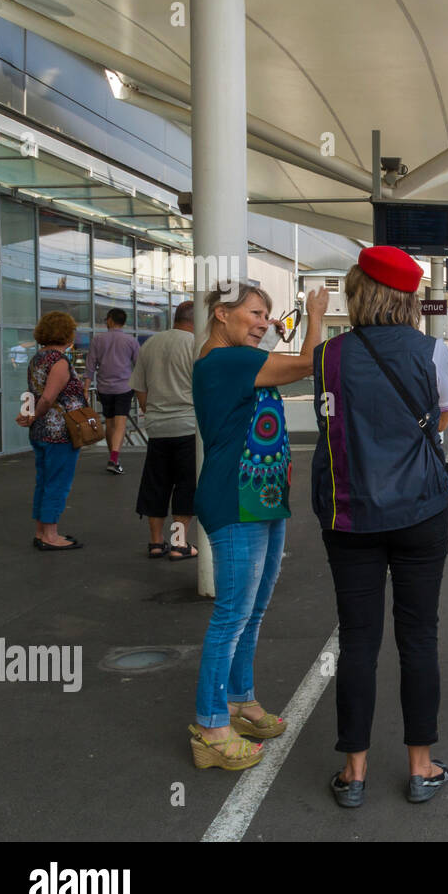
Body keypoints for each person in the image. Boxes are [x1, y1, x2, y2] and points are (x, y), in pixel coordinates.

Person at [312, 246, 448, 808]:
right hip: (420, 511)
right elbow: (440, 415)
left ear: (358, 295)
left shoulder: (327, 356)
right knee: (419, 636)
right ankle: (421, 768)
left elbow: (329, 421)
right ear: (408, 299)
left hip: (349, 516)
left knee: (358, 639)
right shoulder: (432, 351)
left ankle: (354, 773)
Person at [187, 280, 327, 771]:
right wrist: (316, 317)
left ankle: (240, 701)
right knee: (232, 613)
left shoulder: (237, 358)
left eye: (267, 314)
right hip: (235, 499)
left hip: (261, 499)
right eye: (254, 313)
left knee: (253, 608)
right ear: (221, 315)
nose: (264, 322)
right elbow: (312, 362)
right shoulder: (224, 362)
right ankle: (210, 725)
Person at [16, 311, 88, 551]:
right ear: (66, 332)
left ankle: (41, 531)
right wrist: (35, 414)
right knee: (58, 483)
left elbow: (33, 394)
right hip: (59, 432)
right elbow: (48, 398)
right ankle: (51, 535)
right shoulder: (59, 361)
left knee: (44, 481)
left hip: (40, 432)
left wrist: (29, 416)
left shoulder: (37, 358)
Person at [131, 300, 197, 559]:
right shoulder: (195, 345)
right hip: (188, 425)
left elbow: (139, 387)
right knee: (185, 487)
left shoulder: (150, 344)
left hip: (157, 427)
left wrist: (151, 412)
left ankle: (156, 542)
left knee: (156, 484)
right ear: (197, 320)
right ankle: (179, 544)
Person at [85, 307, 140, 475]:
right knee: (120, 423)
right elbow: (139, 365)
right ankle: (114, 459)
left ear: (110, 320)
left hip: (104, 387)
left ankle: (113, 457)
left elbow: (90, 366)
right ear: (123, 322)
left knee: (109, 422)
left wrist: (86, 388)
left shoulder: (97, 340)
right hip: (124, 387)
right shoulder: (131, 341)